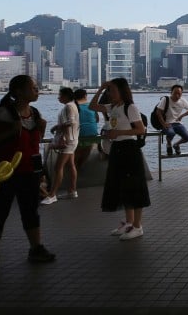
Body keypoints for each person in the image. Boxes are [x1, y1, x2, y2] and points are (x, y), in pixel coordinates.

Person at [0, 75, 56, 272]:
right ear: (18, 92)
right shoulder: (4, 113)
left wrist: (41, 131)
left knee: (30, 210)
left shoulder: (34, 113)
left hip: (29, 170)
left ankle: (35, 248)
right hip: (6, 171)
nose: (37, 90)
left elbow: (32, 145)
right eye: (33, 87)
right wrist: (11, 132)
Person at [90, 78, 151, 239]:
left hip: (129, 149)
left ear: (122, 91)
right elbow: (92, 106)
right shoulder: (113, 108)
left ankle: (138, 226)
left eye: (113, 90)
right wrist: (101, 88)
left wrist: (118, 133)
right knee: (124, 186)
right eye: (110, 91)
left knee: (135, 187)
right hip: (118, 149)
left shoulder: (130, 108)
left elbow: (140, 129)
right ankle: (129, 223)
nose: (110, 94)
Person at [41, 87, 80, 204]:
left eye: (60, 95)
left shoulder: (68, 106)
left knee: (58, 167)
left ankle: (52, 195)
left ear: (66, 96)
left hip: (68, 141)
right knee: (71, 165)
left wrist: (56, 127)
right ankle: (72, 191)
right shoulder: (72, 105)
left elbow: (71, 122)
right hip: (73, 139)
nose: (58, 97)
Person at [156, 84, 188, 156]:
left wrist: (182, 116)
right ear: (171, 92)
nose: (177, 96)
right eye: (175, 93)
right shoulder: (166, 99)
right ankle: (169, 144)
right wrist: (164, 124)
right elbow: (158, 112)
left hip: (177, 123)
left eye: (179, 94)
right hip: (167, 123)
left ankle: (176, 144)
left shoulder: (183, 101)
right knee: (171, 133)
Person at [73, 88, 99, 169]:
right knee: (87, 146)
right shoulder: (91, 106)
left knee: (77, 151)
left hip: (78, 134)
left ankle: (75, 167)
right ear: (85, 96)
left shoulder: (73, 106)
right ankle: (80, 166)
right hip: (92, 134)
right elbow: (97, 120)